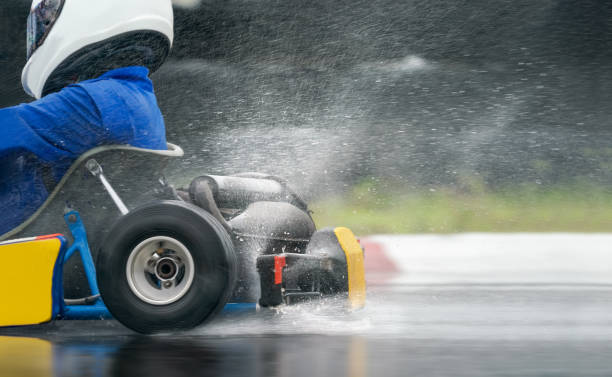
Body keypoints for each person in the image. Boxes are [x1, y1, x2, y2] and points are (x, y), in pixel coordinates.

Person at [0, 0, 174, 235]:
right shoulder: (137, 97)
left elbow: (11, 127)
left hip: (26, 246)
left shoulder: (94, 100)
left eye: (46, 16)